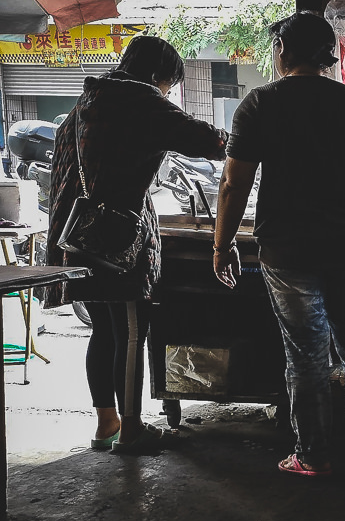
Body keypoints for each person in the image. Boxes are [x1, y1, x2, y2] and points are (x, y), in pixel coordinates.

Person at [212, 11, 345, 476]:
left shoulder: (259, 104)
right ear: (328, 55)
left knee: (306, 354)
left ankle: (313, 455)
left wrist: (222, 245)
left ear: (283, 52)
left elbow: (234, 185)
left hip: (288, 251)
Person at [45, 35, 227, 454]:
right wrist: (251, 137)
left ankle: (105, 423)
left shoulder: (85, 104)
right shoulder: (139, 100)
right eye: (168, 85)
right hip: (117, 240)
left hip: (78, 236)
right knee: (130, 332)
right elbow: (208, 140)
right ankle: (131, 429)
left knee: (104, 333)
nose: (167, 94)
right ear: (155, 76)